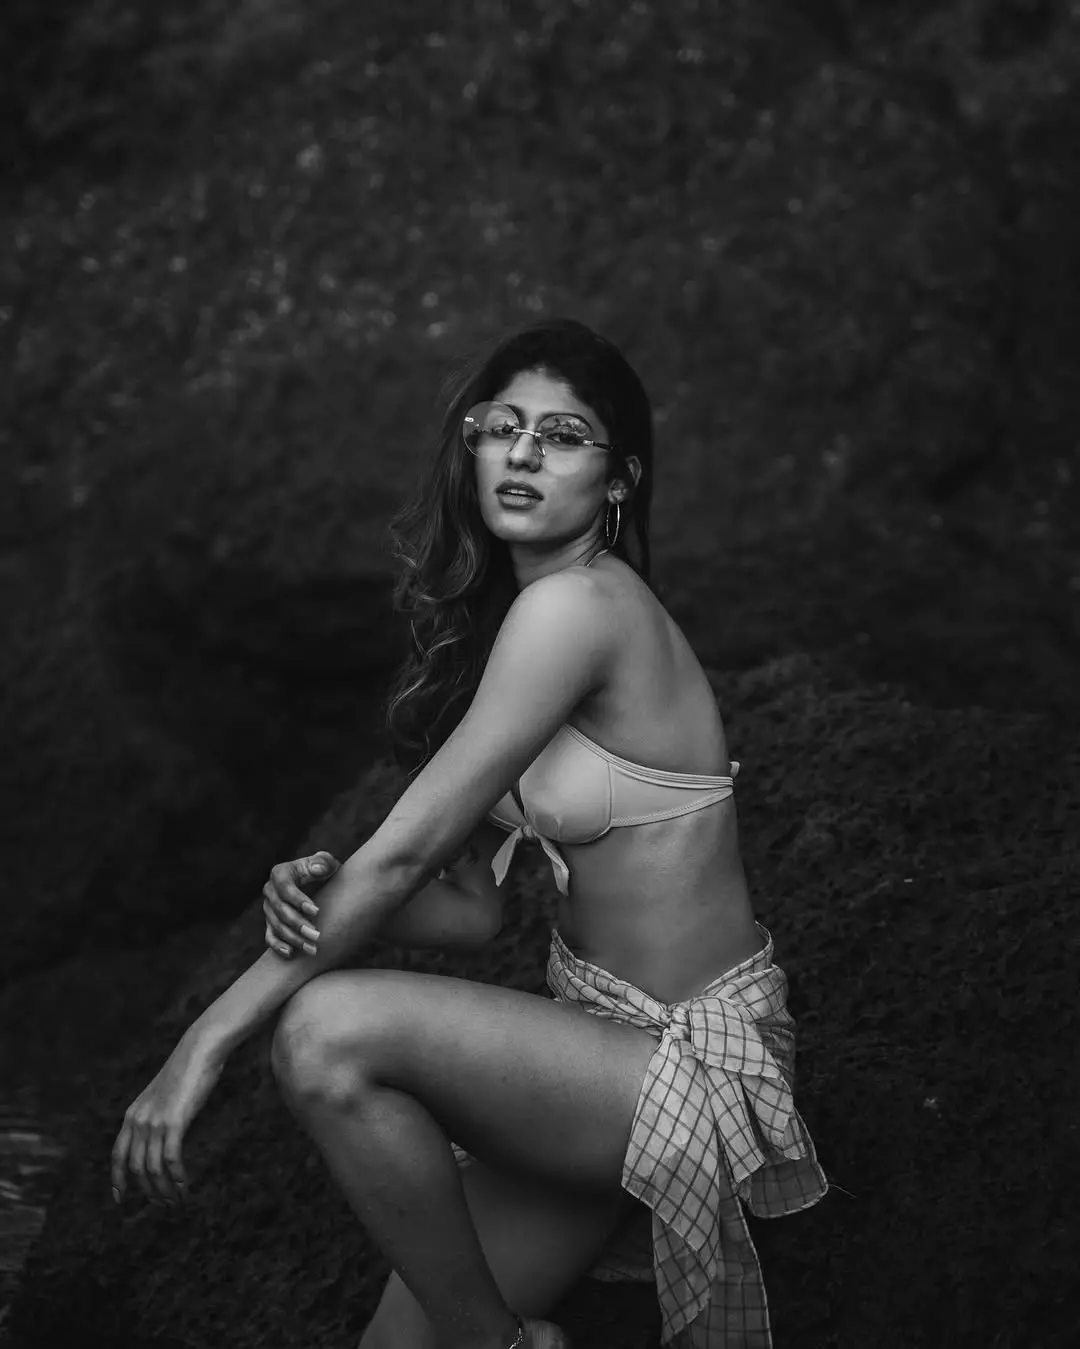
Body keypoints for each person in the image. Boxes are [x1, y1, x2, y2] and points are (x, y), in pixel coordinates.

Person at [110, 318, 829, 1349]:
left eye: (563, 436)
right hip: (591, 1057)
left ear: (618, 481)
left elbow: (404, 855)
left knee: (324, 1030)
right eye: (502, 425)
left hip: (687, 1066)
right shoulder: (520, 625)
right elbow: (468, 910)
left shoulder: (582, 608)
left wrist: (200, 1046)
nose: (524, 453)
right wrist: (319, 890)